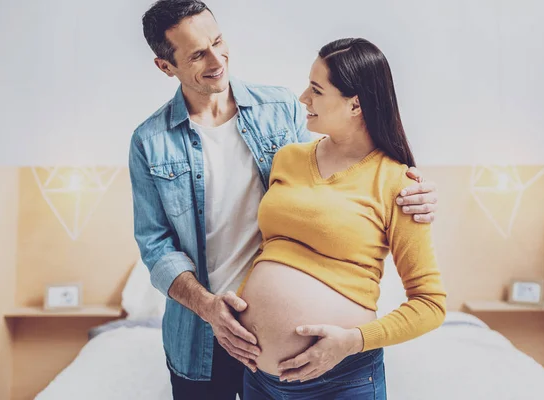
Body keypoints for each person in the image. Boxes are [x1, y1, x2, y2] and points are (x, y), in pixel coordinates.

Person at [130, 1, 439, 399]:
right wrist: (209, 308)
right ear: (165, 66)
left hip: (294, 356)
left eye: (218, 41)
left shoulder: (281, 111)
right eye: (196, 54)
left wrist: (416, 190)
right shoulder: (149, 142)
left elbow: (338, 179)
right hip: (199, 335)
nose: (216, 59)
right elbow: (155, 246)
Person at [237, 38, 447, 399]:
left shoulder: (397, 182)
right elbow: (270, 248)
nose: (303, 97)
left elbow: (430, 304)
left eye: (316, 90)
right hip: (259, 379)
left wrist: (353, 341)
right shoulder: (287, 158)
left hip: (341, 380)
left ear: (355, 104)